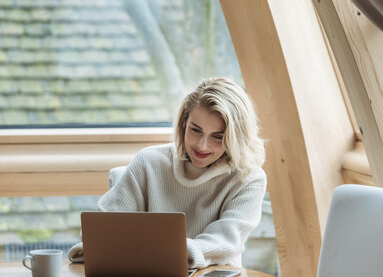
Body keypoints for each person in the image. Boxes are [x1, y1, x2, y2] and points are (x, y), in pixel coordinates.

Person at [69, 77, 267, 269]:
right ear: (183, 123)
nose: (202, 145)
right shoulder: (149, 162)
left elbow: (226, 242)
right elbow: (102, 233)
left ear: (236, 137)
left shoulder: (249, 179)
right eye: (195, 130)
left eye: (218, 137)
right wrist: (161, 252)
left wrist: (163, 250)